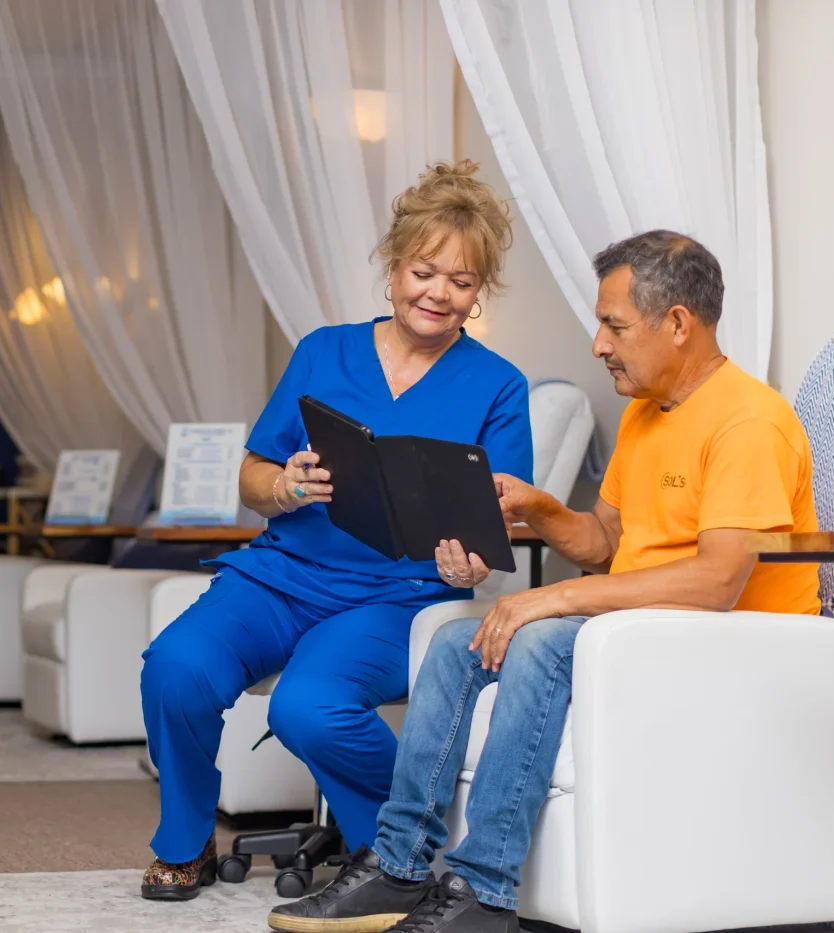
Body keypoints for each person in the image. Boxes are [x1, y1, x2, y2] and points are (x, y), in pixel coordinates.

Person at [268, 230, 821, 933]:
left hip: (733, 643)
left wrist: (553, 598)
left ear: (678, 323)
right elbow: (606, 542)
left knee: (539, 640)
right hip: (652, 629)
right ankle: (399, 866)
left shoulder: (748, 421)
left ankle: (484, 891)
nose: (598, 344)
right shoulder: (647, 412)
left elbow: (718, 580)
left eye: (614, 325)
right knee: (456, 644)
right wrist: (538, 507)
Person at [139, 160, 535, 900]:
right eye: (424, 272)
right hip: (281, 577)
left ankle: (395, 852)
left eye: (461, 280)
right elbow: (251, 473)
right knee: (176, 666)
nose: (438, 293)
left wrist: (469, 569)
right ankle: (185, 842)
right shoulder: (323, 351)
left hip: (395, 598)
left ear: (479, 291)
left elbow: (492, 529)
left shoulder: (499, 385)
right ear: (392, 269)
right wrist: (284, 486)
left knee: (309, 706)